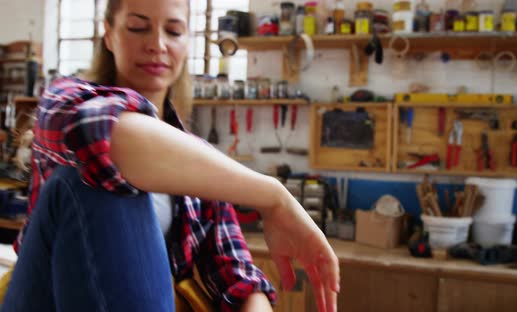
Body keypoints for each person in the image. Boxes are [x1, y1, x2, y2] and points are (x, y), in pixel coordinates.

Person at [0, 0, 339, 311]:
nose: (157, 45)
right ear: (108, 34)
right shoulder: (66, 98)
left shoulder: (197, 161)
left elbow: (240, 277)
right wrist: (274, 197)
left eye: (173, 31)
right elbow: (101, 137)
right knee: (93, 175)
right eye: (138, 27)